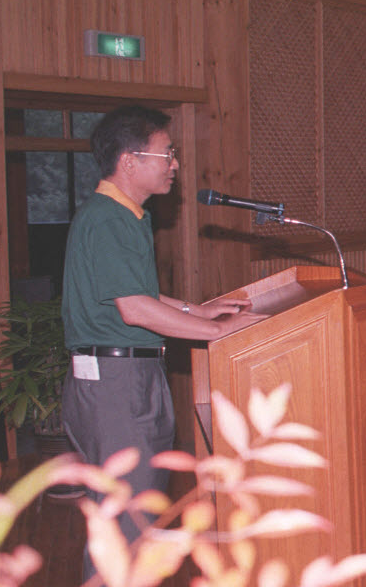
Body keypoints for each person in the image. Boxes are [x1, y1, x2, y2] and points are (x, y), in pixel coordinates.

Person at [61, 106, 254, 539]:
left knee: (129, 519)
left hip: (123, 377)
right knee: (128, 522)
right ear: (130, 161)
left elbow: (136, 295)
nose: (175, 165)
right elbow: (136, 309)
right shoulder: (109, 219)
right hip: (117, 385)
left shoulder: (123, 214)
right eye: (167, 153)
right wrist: (219, 332)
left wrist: (197, 311)